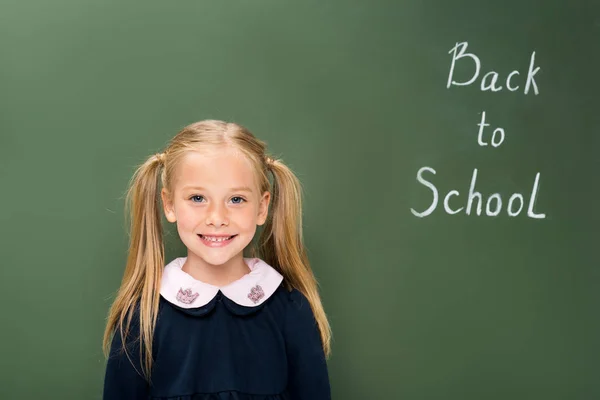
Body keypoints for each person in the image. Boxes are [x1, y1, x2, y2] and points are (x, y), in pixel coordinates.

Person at [102, 120, 332, 399]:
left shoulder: (291, 309)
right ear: (169, 204)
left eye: (236, 199)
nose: (217, 218)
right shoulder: (142, 316)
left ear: (262, 207)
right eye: (198, 198)